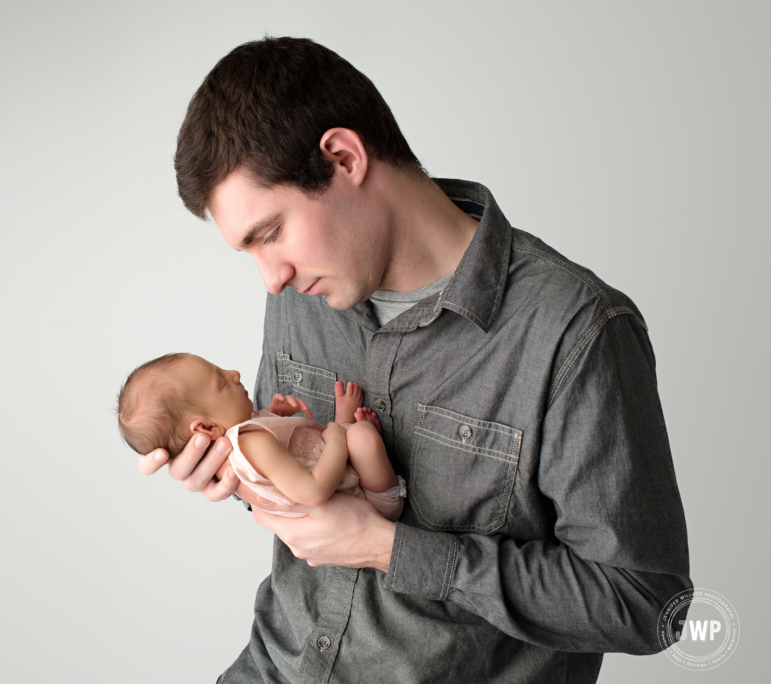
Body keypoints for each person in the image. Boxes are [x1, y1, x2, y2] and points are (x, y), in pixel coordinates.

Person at [139, 37, 691, 683]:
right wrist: (236, 474)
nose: (270, 276)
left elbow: (647, 603)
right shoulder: (303, 290)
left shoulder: (574, 333)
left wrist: (389, 549)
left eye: (271, 233)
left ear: (344, 158)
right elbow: (305, 480)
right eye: (249, 250)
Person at [117, 353, 406, 519]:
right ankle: (349, 433)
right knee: (363, 438)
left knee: (344, 437)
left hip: (339, 482)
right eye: (220, 381)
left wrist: (274, 416)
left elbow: (284, 458)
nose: (234, 373)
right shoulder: (251, 444)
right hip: (367, 507)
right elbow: (314, 491)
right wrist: (339, 437)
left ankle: (345, 429)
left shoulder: (243, 439)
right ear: (205, 429)